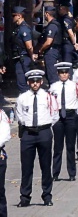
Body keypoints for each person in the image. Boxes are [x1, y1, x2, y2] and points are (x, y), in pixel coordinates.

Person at [14, 68, 56, 206]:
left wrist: (45, 125)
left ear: (41, 81)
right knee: (26, 167)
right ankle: (25, 197)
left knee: (45, 165)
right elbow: (19, 115)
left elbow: (54, 114)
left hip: (44, 132)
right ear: (28, 82)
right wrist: (27, 125)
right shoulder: (22, 98)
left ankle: (47, 196)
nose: (35, 84)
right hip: (28, 134)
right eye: (32, 81)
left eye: (37, 81)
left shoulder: (48, 96)